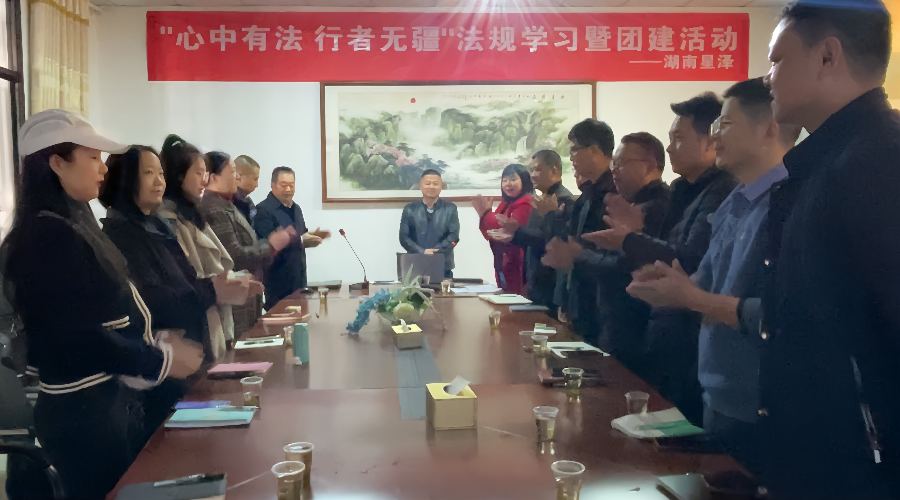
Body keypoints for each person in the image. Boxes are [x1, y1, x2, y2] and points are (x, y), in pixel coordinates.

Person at [0, 110, 203, 498]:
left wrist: (148, 340)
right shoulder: (46, 235)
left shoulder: (71, 221)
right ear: (57, 163)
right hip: (83, 413)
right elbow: (79, 338)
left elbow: (104, 313)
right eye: (92, 157)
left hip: (105, 404)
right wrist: (158, 360)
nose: (103, 168)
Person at [756, 1, 899, 496]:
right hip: (821, 458)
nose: (768, 76)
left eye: (777, 60)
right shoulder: (825, 162)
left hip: (860, 470)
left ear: (827, 56)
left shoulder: (879, 161)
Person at [625, 78, 800, 475]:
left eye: (726, 124)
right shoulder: (736, 200)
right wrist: (667, 285)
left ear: (769, 129)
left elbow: (782, 315)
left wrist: (691, 297)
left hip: (762, 405)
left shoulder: (792, 206)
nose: (715, 135)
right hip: (717, 391)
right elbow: (705, 279)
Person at [584, 92, 735, 421]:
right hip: (663, 333)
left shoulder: (721, 191)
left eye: (679, 138)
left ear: (710, 142)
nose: (669, 148)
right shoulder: (685, 190)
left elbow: (687, 262)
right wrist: (635, 240)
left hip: (689, 339)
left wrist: (630, 240)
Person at [100, 145, 244, 445]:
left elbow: (186, 285)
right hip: (156, 372)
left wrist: (212, 290)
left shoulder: (159, 227)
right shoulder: (119, 236)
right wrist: (212, 290)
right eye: (148, 173)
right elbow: (153, 302)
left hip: (187, 359)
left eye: (161, 173)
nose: (159, 181)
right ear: (126, 179)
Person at [544, 133, 671, 353]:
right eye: (615, 163)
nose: (614, 170)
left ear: (650, 165)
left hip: (636, 328)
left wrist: (577, 256)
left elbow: (624, 267)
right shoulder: (626, 202)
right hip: (608, 318)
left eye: (622, 163)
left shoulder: (656, 207)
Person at [159, 134, 255, 359]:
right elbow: (189, 285)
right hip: (193, 331)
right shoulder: (169, 221)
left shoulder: (192, 215)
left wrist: (235, 282)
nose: (204, 180)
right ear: (178, 175)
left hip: (213, 320)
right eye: (198, 173)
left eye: (205, 173)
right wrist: (223, 286)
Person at [200, 151, 291, 338]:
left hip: (247, 299)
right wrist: (270, 246)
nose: (237, 177)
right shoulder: (213, 208)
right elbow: (234, 257)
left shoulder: (227, 204)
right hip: (235, 303)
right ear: (214, 177)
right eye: (232, 171)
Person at [540, 118, 617, 340]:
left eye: (574, 150)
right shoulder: (586, 195)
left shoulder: (615, 193)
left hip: (604, 305)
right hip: (581, 301)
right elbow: (571, 240)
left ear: (593, 151)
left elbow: (610, 255)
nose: (571, 157)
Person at [492, 151, 574, 312]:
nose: (533, 175)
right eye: (531, 170)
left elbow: (552, 242)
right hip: (536, 280)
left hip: (552, 284)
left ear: (554, 171)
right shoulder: (543, 198)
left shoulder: (563, 199)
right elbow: (535, 237)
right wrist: (515, 234)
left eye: (538, 169)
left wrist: (517, 232)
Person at [255, 166, 331, 307]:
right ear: (272, 185)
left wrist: (312, 236)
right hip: (277, 283)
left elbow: (300, 236)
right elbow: (269, 246)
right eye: (283, 185)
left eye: (292, 185)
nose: (288, 189)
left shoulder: (296, 208)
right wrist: (301, 240)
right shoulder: (263, 210)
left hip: (298, 281)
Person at [474, 163, 534, 294]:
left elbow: (505, 227)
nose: (508, 184)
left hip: (518, 264)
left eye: (513, 179)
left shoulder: (527, 203)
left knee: (516, 299)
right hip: (501, 260)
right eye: (504, 180)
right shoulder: (505, 203)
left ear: (524, 180)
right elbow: (491, 231)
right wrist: (485, 215)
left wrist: (486, 214)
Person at [399, 169, 460, 279]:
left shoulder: (451, 209)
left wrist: (436, 251)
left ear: (441, 187)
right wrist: (422, 252)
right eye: (427, 183)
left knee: (444, 291)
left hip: (443, 265)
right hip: (415, 265)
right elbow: (404, 238)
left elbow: (453, 237)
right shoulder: (410, 209)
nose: (431, 187)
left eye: (435, 184)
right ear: (420, 186)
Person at [233, 155, 260, 223]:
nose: (256, 185)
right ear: (240, 176)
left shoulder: (247, 201)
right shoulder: (228, 203)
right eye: (255, 179)